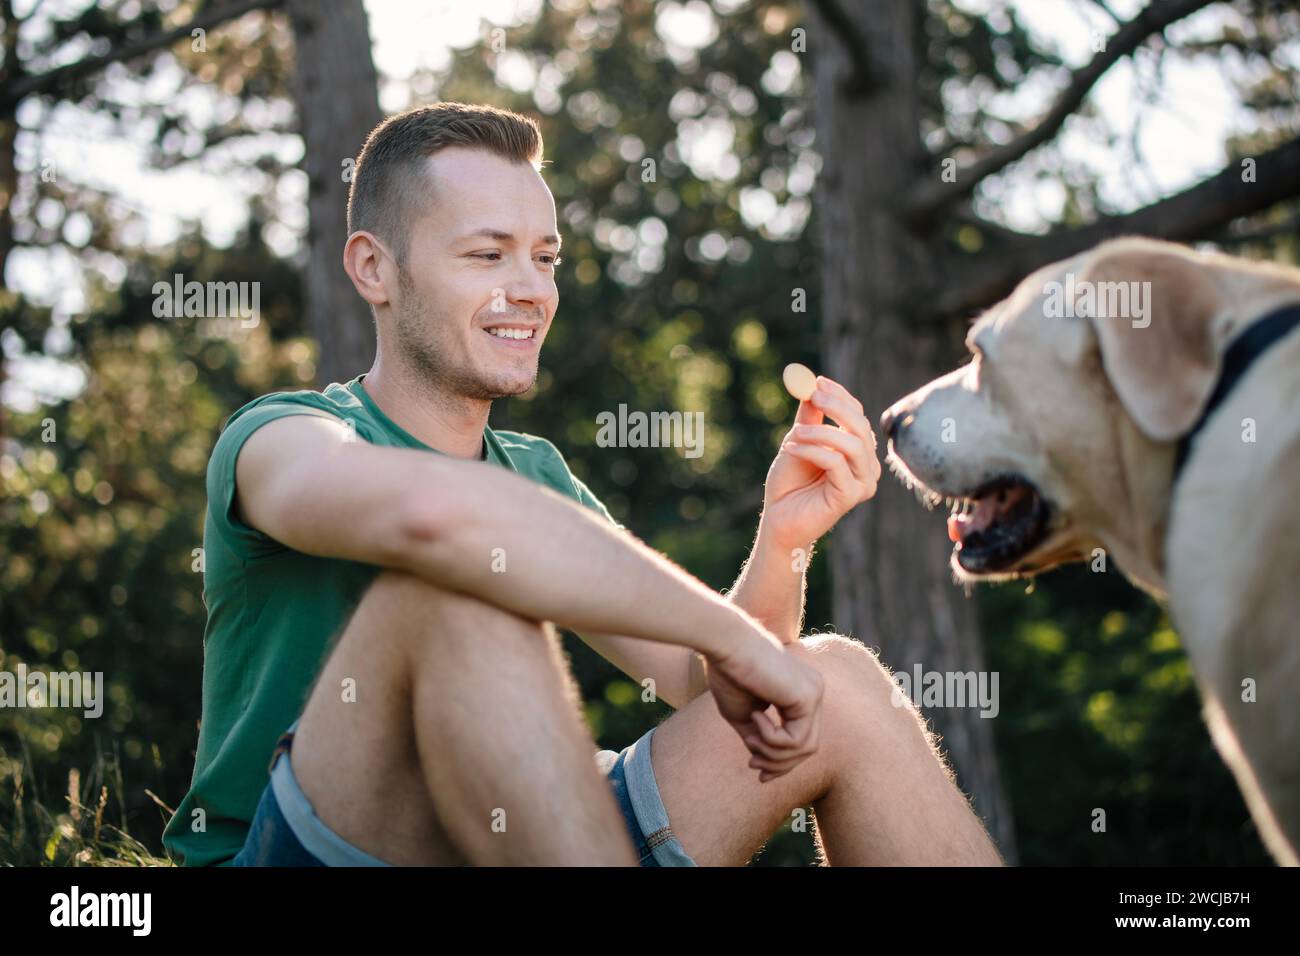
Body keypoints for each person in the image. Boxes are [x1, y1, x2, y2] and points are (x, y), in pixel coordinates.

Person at [162, 102, 1003, 867]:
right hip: (308, 854)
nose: (530, 288)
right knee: (453, 594)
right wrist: (732, 638)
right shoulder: (279, 439)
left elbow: (712, 688)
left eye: (545, 257)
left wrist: (783, 538)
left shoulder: (535, 474)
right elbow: (434, 520)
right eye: (488, 254)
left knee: (836, 682)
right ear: (374, 269)